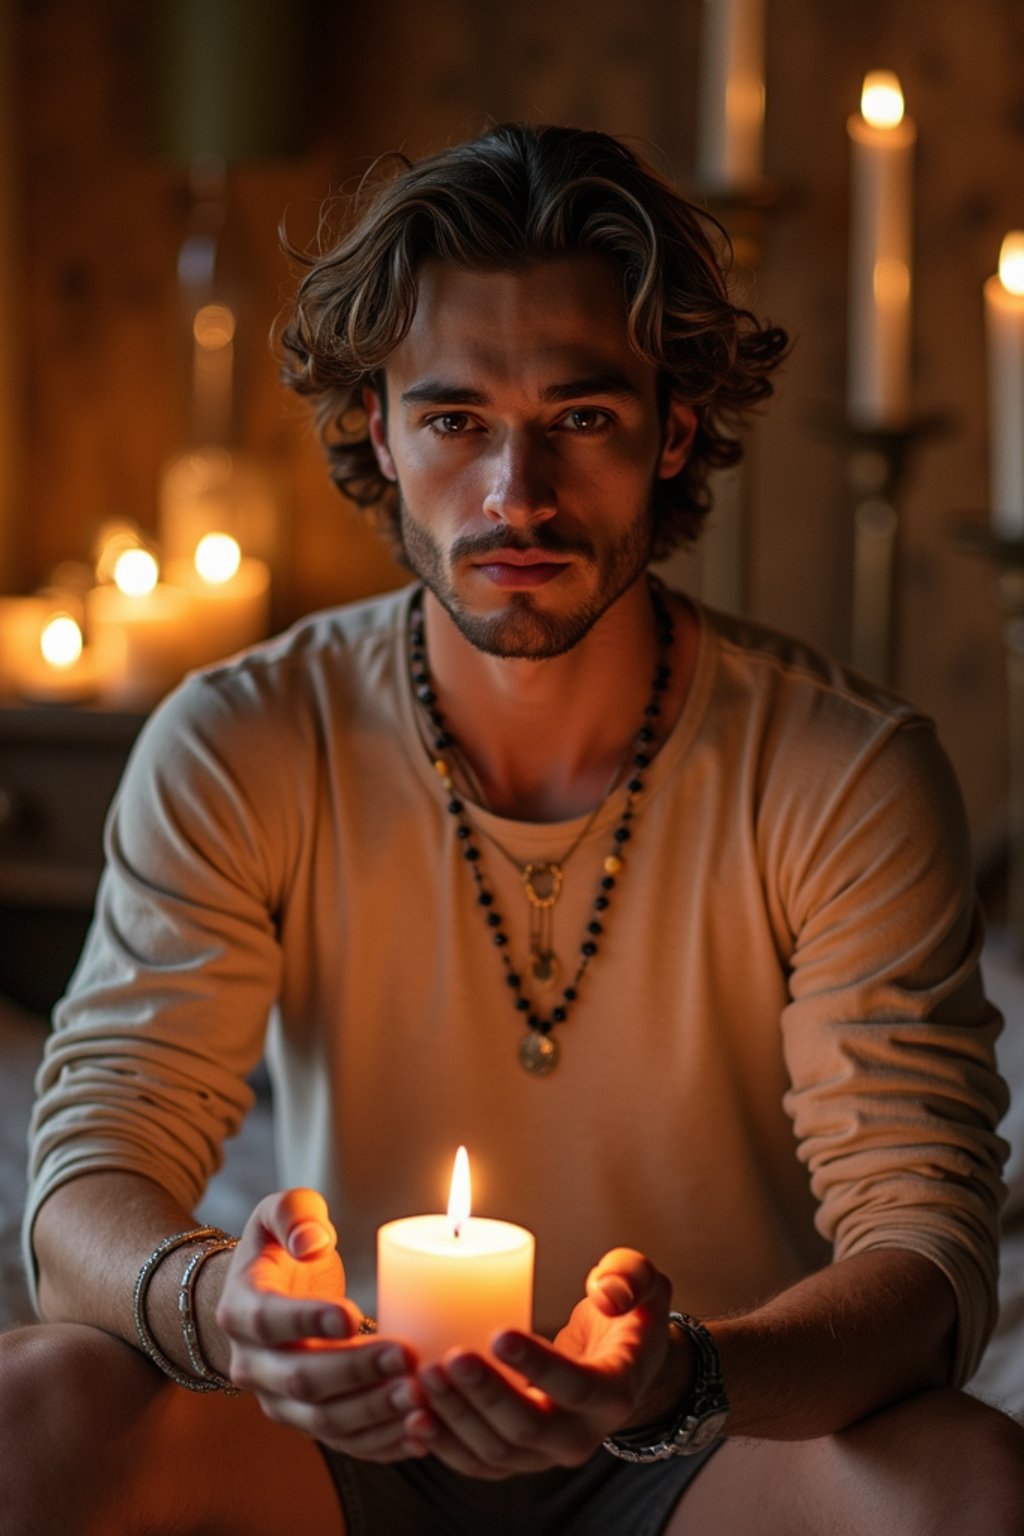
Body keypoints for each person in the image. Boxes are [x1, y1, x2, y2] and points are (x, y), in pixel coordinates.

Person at [2, 122, 1022, 1535]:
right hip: (335, 1439)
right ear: (379, 425)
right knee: (35, 1405)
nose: (515, 495)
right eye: (457, 419)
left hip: (704, 1441)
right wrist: (218, 1307)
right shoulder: (244, 736)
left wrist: (680, 1377)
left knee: (967, 1482)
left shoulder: (842, 772)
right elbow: (84, 1187)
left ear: (673, 427)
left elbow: (926, 1261)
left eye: (582, 417)